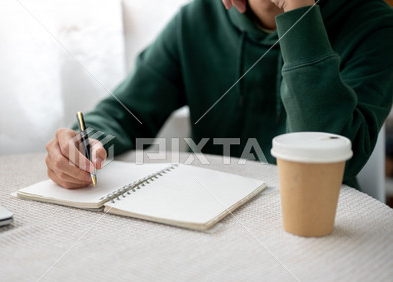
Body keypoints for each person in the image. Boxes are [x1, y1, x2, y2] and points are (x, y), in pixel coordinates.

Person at [45, 0, 393, 189]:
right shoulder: (196, 18)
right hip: (207, 207)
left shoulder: (374, 24)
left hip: (311, 218)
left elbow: (329, 160)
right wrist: (84, 142)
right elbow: (124, 112)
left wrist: (298, 12)